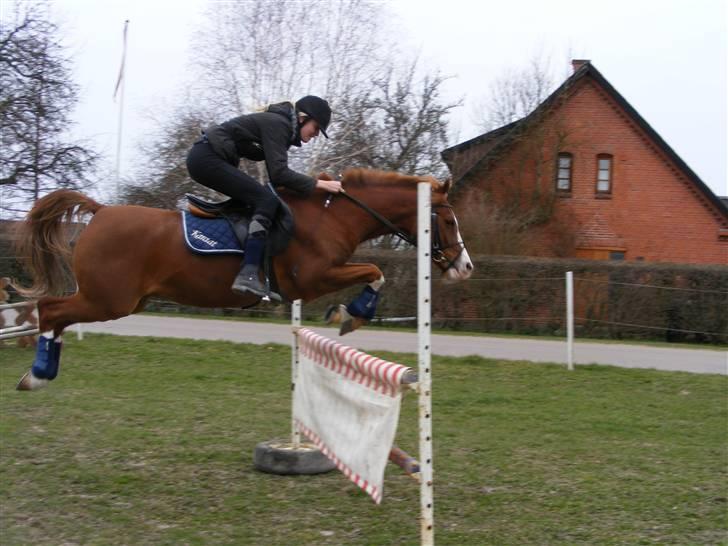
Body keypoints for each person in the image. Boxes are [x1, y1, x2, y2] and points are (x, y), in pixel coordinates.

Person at [186, 95, 342, 297]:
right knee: (265, 200)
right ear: (303, 118)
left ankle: (260, 273)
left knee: (264, 199)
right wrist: (320, 184)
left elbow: (277, 179)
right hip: (206, 158)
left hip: (207, 157)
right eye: (316, 128)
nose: (316, 135)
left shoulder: (281, 126)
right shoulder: (279, 124)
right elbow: (279, 174)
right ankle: (248, 272)